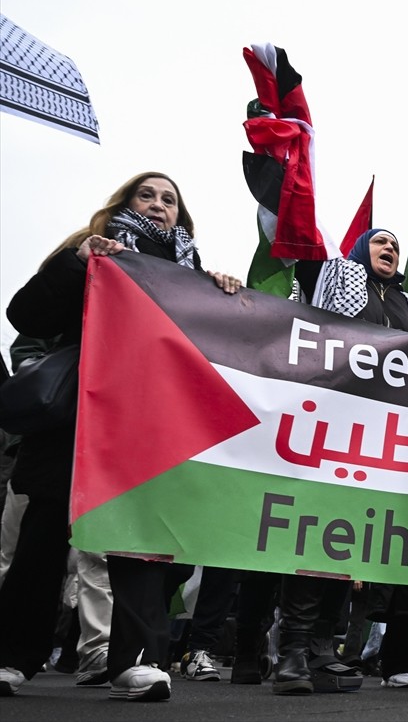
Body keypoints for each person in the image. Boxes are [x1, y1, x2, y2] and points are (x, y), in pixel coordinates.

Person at [0, 172, 241, 701]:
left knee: (140, 544)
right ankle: (13, 657)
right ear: (125, 203)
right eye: (146, 195)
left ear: (181, 216)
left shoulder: (191, 274)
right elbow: (27, 314)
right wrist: (79, 261)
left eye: (169, 199)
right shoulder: (94, 253)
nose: (158, 205)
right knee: (43, 540)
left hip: (148, 430)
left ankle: (138, 660)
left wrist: (226, 297)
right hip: (78, 424)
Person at [268, 229, 408, 696]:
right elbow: (321, 326)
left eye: (396, 247)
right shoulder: (341, 276)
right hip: (336, 427)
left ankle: (322, 646)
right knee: (316, 531)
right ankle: (294, 649)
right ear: (362, 250)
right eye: (381, 242)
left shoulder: (406, 301)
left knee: (349, 539)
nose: (390, 250)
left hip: (382, 439)